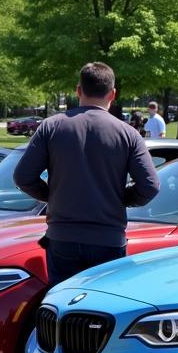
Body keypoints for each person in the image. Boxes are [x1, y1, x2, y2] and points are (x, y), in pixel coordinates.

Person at [14, 62, 160, 287]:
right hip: (108, 238)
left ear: (78, 91)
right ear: (113, 94)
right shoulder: (128, 134)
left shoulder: (51, 127)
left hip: (63, 237)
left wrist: (53, 196)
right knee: (103, 311)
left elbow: (23, 176)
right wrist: (122, 199)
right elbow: (150, 185)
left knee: (63, 308)